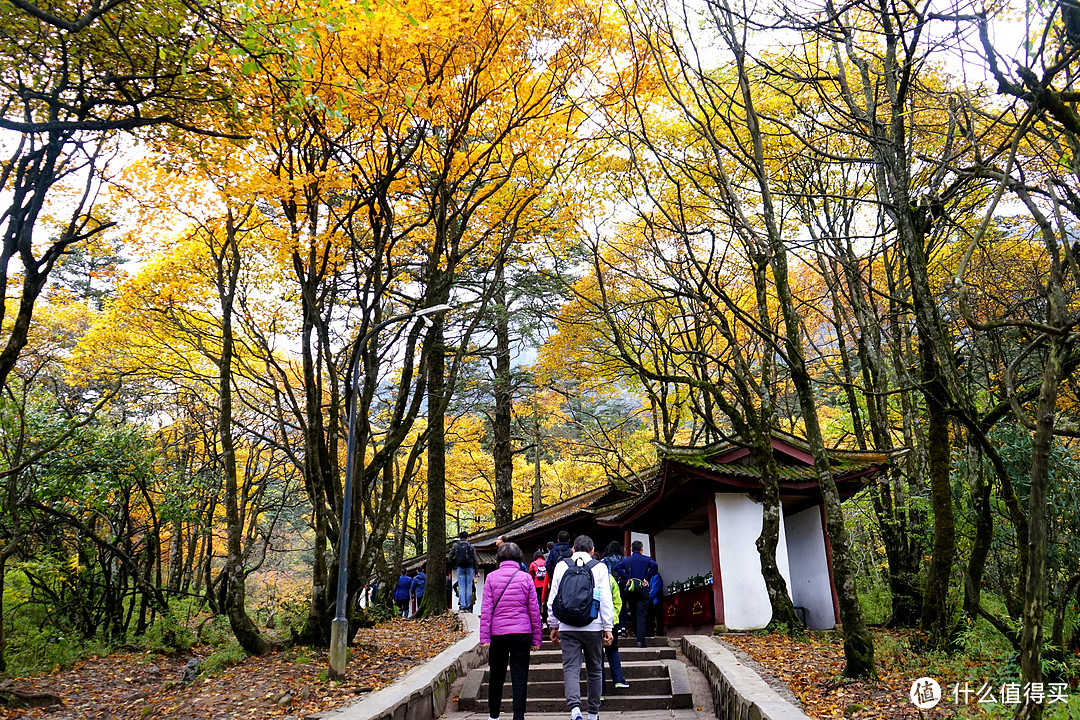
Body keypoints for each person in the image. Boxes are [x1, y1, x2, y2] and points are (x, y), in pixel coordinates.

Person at [548, 535, 614, 720]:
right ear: (592, 551)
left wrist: (553, 624)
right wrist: (608, 627)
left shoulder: (562, 566)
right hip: (593, 625)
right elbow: (605, 599)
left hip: (567, 625)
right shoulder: (599, 567)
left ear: (574, 550)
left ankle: (575, 709)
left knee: (571, 668)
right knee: (594, 669)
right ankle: (593, 713)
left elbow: (554, 596)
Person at [480, 541, 542, 720]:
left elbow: (486, 610)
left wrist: (485, 637)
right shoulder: (525, 578)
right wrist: (536, 638)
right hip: (522, 633)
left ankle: (493, 716)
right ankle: (518, 716)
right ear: (519, 558)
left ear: (499, 558)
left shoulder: (491, 577)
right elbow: (534, 610)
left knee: (496, 676)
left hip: (498, 634)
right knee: (520, 676)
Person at [613, 540, 658, 647]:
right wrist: (647, 577)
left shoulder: (626, 560)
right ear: (641, 549)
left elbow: (616, 568)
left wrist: (626, 577)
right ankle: (640, 640)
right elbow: (655, 566)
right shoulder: (647, 559)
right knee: (641, 614)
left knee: (633, 612)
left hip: (631, 588)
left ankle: (635, 633)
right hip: (642, 587)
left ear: (631, 549)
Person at [600, 553, 629, 697]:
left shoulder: (588, 578)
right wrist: (614, 616)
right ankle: (619, 680)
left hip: (594, 624)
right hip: (612, 622)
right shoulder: (610, 579)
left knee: (596, 656)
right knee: (612, 650)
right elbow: (618, 601)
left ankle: (600, 691)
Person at [449, 530, 479, 611]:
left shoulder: (456, 545)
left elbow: (450, 557)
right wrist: (476, 570)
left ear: (460, 538)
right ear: (467, 538)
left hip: (460, 568)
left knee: (461, 587)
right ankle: (468, 606)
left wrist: (454, 566)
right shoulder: (471, 546)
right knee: (469, 587)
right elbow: (475, 559)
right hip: (470, 568)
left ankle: (462, 606)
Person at [528, 549, 547, 625]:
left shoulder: (533, 564)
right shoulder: (546, 563)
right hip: (545, 585)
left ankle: (539, 617)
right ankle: (545, 620)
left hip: (536, 585)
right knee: (545, 601)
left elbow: (530, 575)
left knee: (537, 601)